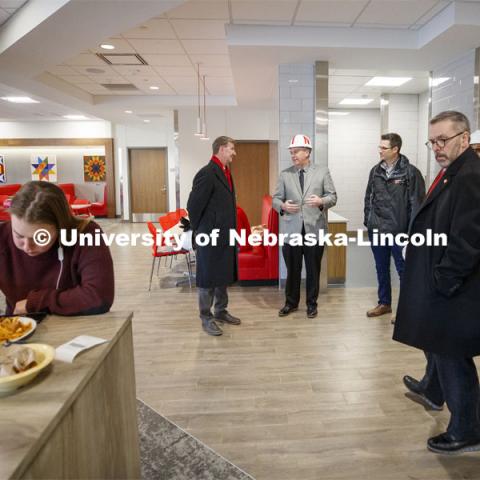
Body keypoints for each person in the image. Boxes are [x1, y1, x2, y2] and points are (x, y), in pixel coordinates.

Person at [393, 111, 480, 454]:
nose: (437, 148)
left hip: (455, 289)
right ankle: (433, 388)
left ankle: (466, 430)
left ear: (464, 137)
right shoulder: (453, 173)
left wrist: (443, 280)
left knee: (452, 356)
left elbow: (468, 239)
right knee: (437, 347)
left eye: (443, 140)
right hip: (442, 283)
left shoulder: (470, 176)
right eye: (433, 142)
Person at [0, 181, 114, 316]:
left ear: (61, 227)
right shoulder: (2, 236)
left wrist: (34, 303)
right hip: (17, 328)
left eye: (40, 238)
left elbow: (99, 297)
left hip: (76, 326)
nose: (27, 247)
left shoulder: (87, 234)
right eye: (19, 236)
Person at [272, 134, 337, 318]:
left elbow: (333, 197)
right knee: (292, 269)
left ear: (307, 152)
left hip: (314, 230)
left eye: (296, 151)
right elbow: (276, 199)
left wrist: (321, 200)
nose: (292, 155)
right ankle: (291, 303)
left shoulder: (322, 172)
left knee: (313, 269)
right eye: (291, 152)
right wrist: (282, 206)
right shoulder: (285, 174)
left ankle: (311, 304)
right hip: (291, 230)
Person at [364, 133, 425, 318]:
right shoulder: (375, 171)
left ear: (395, 149)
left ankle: (406, 309)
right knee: (381, 268)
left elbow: (417, 205)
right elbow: (368, 198)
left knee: (404, 270)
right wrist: (369, 221)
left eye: (384, 148)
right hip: (378, 230)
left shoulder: (410, 172)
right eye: (379, 147)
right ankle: (384, 303)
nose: (380, 151)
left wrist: (411, 232)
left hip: (401, 231)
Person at [187, 136, 240, 336]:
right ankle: (206, 317)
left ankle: (220, 311)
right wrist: (200, 231)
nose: (234, 153)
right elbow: (193, 206)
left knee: (222, 276)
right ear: (221, 149)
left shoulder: (226, 172)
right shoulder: (207, 173)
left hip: (225, 235)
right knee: (208, 279)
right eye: (231, 149)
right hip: (209, 236)